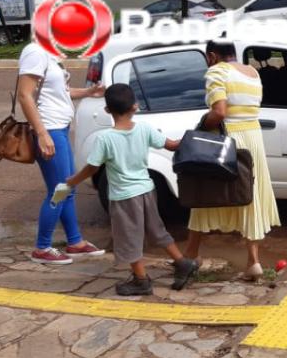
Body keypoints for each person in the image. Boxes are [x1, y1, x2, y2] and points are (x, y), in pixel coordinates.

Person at [54, 84, 200, 295]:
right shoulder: (144, 128)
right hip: (147, 191)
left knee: (129, 238)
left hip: (124, 197)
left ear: (107, 110)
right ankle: (182, 262)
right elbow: (171, 145)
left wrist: (71, 181)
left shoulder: (105, 139)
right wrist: (197, 135)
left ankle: (141, 280)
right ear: (135, 106)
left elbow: (92, 167)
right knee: (157, 230)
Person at [185, 40, 281, 281]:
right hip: (253, 139)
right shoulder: (252, 73)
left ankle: (191, 255)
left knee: (205, 192)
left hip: (228, 140)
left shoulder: (216, 71)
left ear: (212, 56)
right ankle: (253, 262)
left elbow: (219, 112)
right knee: (249, 195)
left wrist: (202, 126)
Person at [18, 41, 105, 265]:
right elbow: (25, 95)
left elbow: (61, 92)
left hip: (60, 127)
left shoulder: (49, 54)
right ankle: (42, 247)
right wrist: (42, 133)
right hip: (49, 128)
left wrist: (88, 92)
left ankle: (75, 242)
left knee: (68, 187)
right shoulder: (35, 52)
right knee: (59, 190)